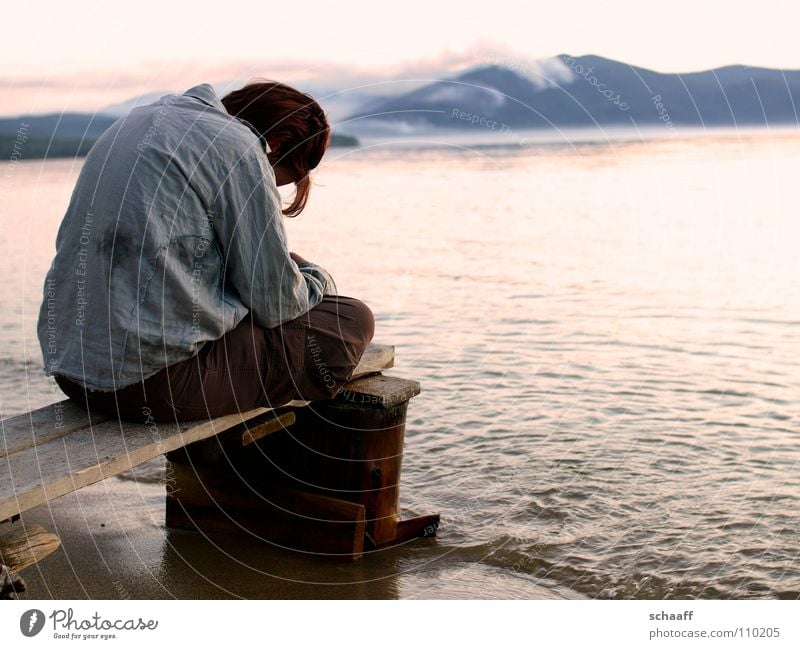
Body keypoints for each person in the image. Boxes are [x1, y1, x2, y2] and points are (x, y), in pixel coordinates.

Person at [36, 81, 374, 422]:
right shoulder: (239, 146)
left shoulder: (137, 121)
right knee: (350, 320)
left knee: (285, 275)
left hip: (71, 375)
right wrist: (319, 279)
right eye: (274, 181)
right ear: (275, 145)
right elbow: (276, 305)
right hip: (146, 387)